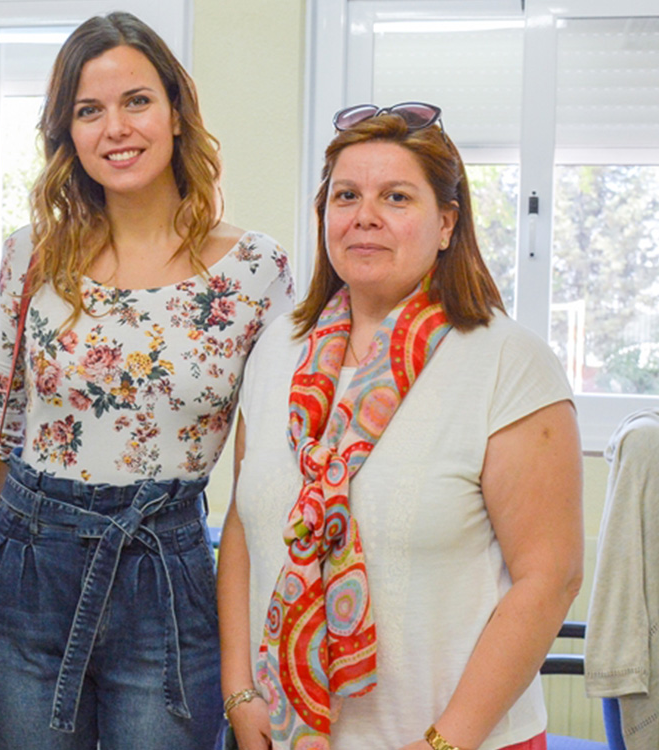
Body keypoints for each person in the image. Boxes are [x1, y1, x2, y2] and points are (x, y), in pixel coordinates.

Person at [0, 12, 292, 750]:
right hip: (22, 573)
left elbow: (265, 475)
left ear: (177, 111)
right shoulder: (31, 256)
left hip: (167, 580)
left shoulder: (255, 271)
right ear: (67, 135)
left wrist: (253, 660)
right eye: (89, 110)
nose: (116, 127)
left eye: (136, 101)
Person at [216, 102, 584, 750]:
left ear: (447, 222)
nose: (365, 216)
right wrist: (240, 694)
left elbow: (549, 577)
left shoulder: (509, 362)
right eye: (346, 195)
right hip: (287, 733)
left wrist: (446, 741)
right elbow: (246, 524)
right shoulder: (277, 348)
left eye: (396, 197)